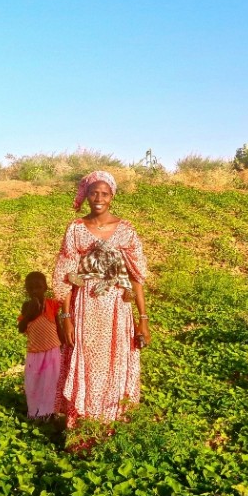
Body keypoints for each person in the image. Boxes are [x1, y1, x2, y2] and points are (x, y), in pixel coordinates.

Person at [52, 170, 150, 427]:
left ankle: (109, 426)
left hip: (118, 308)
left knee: (115, 363)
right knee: (84, 360)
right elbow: (66, 275)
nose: (99, 198)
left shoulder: (126, 231)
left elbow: (137, 276)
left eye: (104, 193)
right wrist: (66, 317)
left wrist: (143, 319)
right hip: (85, 307)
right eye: (94, 192)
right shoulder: (75, 230)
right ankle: (83, 429)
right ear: (86, 195)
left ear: (112, 196)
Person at [18, 271, 62, 419]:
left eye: (38, 287)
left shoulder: (51, 304)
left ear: (45, 288)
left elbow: (58, 326)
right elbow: (21, 328)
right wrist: (29, 314)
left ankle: (49, 413)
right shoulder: (26, 306)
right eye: (31, 288)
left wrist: (63, 345)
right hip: (34, 353)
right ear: (27, 290)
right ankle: (35, 413)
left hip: (52, 352)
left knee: (50, 384)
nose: (35, 291)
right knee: (34, 384)